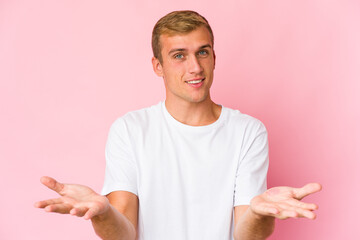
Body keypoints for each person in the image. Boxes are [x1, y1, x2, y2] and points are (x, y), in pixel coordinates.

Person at [35, 10, 322, 240]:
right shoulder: (131, 130)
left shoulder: (248, 131)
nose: (195, 68)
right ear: (157, 66)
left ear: (214, 58)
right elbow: (125, 233)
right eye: (179, 55)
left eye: (203, 52)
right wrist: (103, 213)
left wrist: (259, 215)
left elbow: (245, 234)